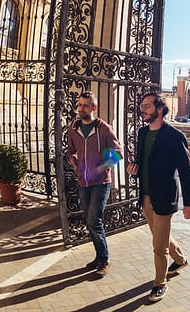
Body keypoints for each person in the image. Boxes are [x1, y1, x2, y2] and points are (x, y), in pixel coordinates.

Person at [126, 92, 190, 303]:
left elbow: (185, 171)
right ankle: (180, 259)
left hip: (165, 197)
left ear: (159, 109)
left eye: (146, 106)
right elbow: (140, 161)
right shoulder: (142, 133)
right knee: (159, 236)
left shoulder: (174, 136)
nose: (142, 109)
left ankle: (160, 283)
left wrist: (189, 203)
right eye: (141, 106)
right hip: (145, 195)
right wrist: (133, 169)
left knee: (158, 246)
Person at [66, 90, 123, 278]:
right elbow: (71, 151)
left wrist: (100, 169)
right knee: (90, 222)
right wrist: (75, 165)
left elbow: (118, 153)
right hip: (83, 183)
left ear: (94, 107)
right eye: (80, 105)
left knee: (94, 221)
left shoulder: (104, 129)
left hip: (101, 183)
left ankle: (104, 260)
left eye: (86, 105)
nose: (81, 109)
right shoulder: (73, 129)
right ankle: (99, 256)